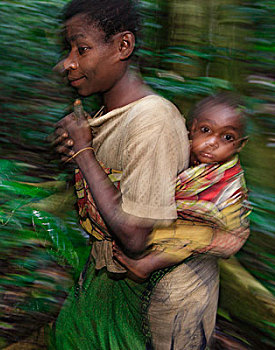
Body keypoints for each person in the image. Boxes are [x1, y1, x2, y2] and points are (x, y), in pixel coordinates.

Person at [50, 0, 235, 348]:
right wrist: (77, 157)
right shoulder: (111, 113)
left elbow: (134, 239)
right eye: (68, 50)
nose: (68, 63)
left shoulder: (152, 121)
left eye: (82, 48)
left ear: (123, 46)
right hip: (106, 283)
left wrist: (84, 153)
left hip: (152, 305)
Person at [113, 93, 251, 282]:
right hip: (164, 218)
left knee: (199, 236)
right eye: (205, 130)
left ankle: (147, 265)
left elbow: (230, 222)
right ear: (193, 129)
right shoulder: (176, 151)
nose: (212, 143)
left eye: (227, 137)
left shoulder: (230, 179)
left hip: (207, 230)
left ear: (240, 145)